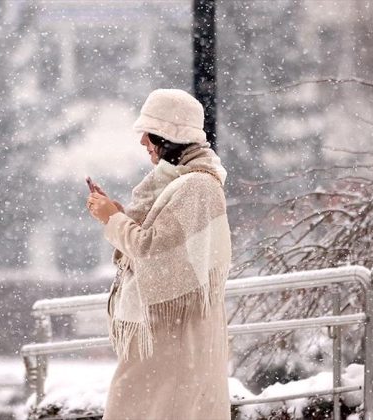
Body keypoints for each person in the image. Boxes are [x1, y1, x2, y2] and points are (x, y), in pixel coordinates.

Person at [86, 89, 232, 420]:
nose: (142, 142)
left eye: (148, 133)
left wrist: (112, 218)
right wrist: (117, 214)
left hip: (175, 336)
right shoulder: (179, 183)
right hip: (169, 333)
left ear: (169, 136)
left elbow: (152, 250)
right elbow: (160, 243)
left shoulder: (196, 186)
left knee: (149, 407)